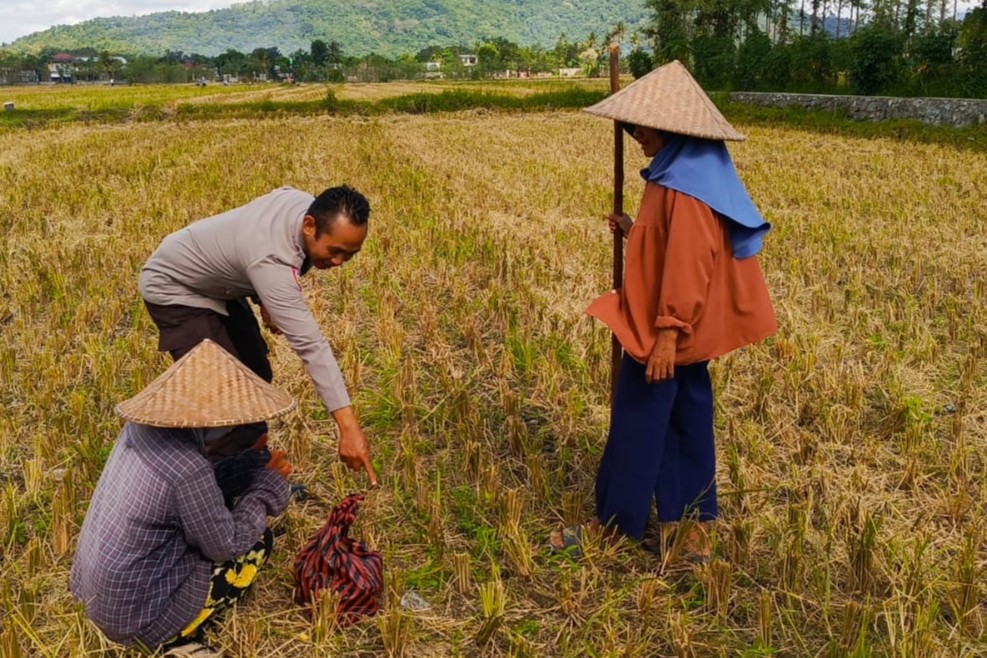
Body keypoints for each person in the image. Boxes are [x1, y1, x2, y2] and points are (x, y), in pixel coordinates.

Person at [551, 60, 777, 562]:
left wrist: (669, 333)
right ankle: (690, 529)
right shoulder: (682, 174)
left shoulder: (683, 186)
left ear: (673, 128)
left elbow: (689, 262)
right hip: (680, 328)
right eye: (632, 127)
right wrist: (635, 230)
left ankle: (614, 526)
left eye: (643, 127)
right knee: (685, 418)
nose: (636, 135)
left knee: (637, 419)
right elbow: (671, 247)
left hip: (665, 330)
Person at [139, 185, 378, 486]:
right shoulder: (271, 259)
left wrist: (266, 297)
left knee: (255, 377)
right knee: (226, 399)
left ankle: (254, 478)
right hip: (175, 287)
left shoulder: (303, 207)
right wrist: (348, 428)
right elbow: (311, 346)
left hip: (217, 284)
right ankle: (213, 495)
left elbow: (261, 232)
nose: (339, 262)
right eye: (334, 251)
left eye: (350, 255)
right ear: (309, 225)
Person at [71, 339, 297, 653]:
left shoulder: (139, 430)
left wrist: (248, 466)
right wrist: (265, 488)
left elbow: (186, 497)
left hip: (91, 597)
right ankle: (174, 636)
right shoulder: (188, 468)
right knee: (258, 541)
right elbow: (226, 545)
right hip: (134, 622)